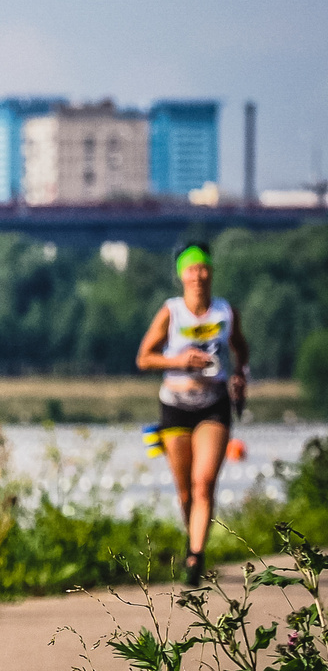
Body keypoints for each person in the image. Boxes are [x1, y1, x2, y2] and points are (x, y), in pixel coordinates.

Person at [134, 243, 247, 588]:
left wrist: (241, 373)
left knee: (204, 482)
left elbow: (240, 347)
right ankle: (192, 541)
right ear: (181, 275)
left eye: (203, 268)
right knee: (185, 492)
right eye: (191, 269)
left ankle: (195, 555)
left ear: (211, 272)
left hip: (214, 404)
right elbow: (144, 358)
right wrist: (179, 361)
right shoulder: (171, 312)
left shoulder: (225, 312)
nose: (198, 275)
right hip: (175, 405)